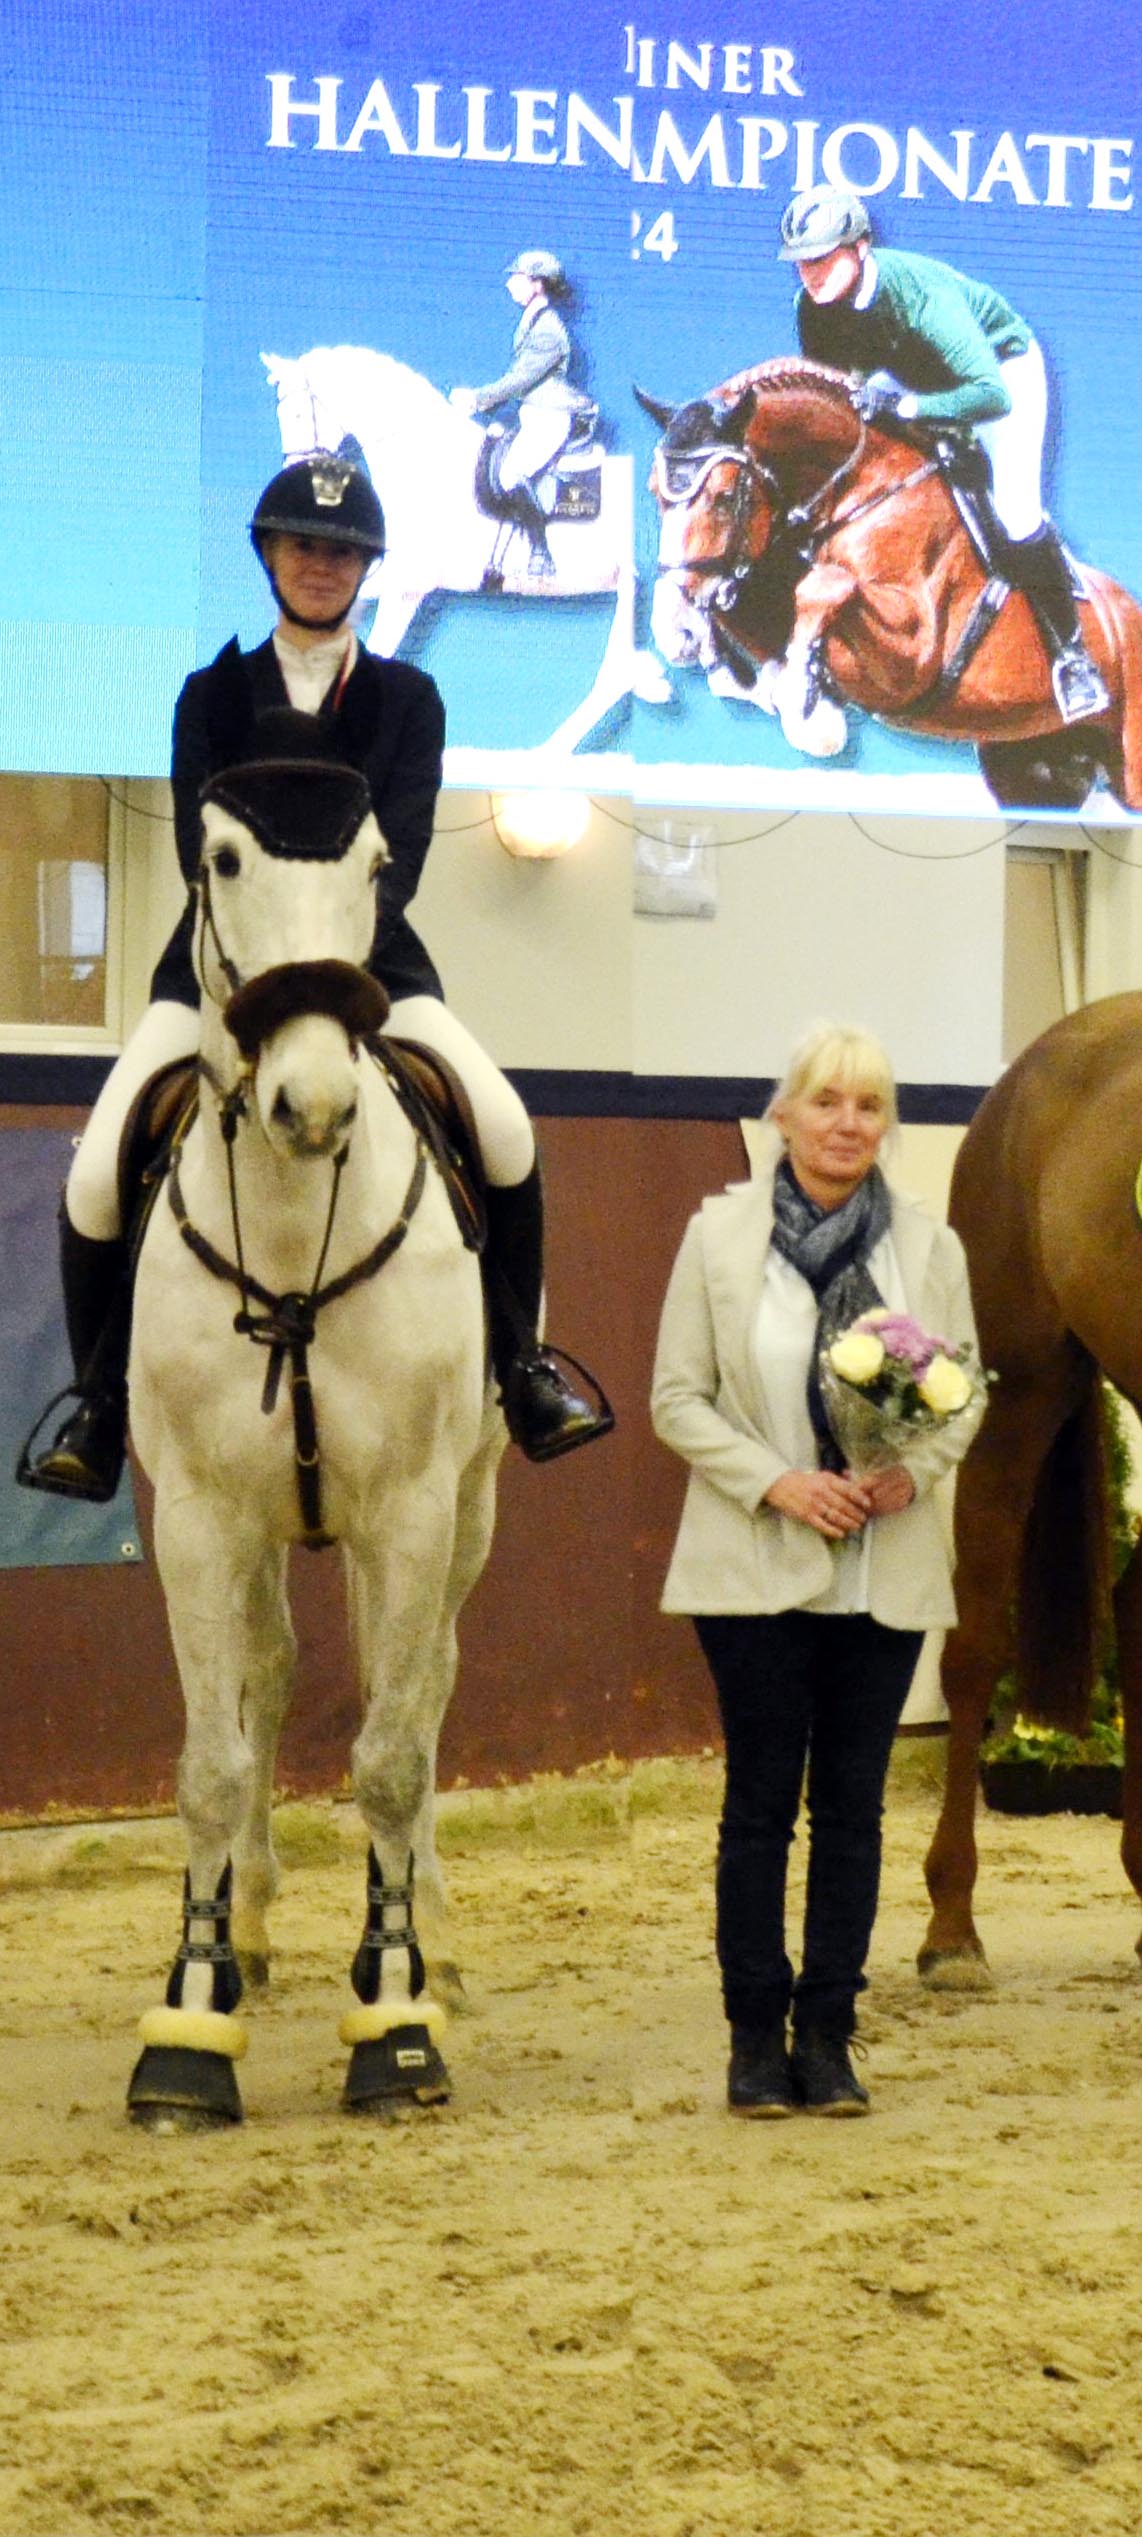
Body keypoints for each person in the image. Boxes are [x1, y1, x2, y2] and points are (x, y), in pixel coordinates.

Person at [19, 456, 611, 1503]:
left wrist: (331, 968)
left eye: (343, 550)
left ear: (367, 565)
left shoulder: (407, 699)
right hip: (219, 975)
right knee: (95, 1174)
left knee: (507, 1129)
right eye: (304, 545)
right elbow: (206, 858)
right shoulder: (210, 696)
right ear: (268, 556)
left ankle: (521, 1369)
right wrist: (265, 973)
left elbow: (408, 849)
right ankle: (101, 1404)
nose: (323, 564)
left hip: (375, 969)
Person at [650, 1023, 985, 2118]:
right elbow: (677, 1400)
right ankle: (754, 2037)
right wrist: (781, 1482)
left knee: (853, 1810)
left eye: (870, 1105)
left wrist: (909, 1475)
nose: (849, 1123)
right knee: (760, 1807)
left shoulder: (929, 1248)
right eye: (828, 1101)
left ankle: (830, 2033)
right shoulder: (716, 1240)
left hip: (881, 1564)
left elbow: (962, 1392)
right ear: (783, 1115)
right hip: (755, 1563)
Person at [776, 184, 1107, 725]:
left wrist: (906, 408)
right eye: (800, 264)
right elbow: (834, 395)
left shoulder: (923, 299)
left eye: (820, 259)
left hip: (1001, 375)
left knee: (1016, 513)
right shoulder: (813, 307)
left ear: (860, 247)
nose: (809, 274)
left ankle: (1072, 656)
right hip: (923, 381)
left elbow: (988, 394)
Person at [450, 249, 593, 584]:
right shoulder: (533, 320)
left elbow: (521, 379)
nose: (510, 284)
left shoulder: (547, 329)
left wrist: (477, 399)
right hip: (534, 414)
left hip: (551, 416)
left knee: (513, 474)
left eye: (517, 278)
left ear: (538, 283)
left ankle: (541, 554)